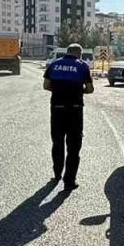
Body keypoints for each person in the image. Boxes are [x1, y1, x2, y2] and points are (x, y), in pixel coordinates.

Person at [43, 43, 94, 191]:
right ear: (79, 54)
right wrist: (79, 90)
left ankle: (57, 173)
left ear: (67, 52)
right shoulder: (82, 66)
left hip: (57, 108)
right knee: (74, 146)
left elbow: (46, 85)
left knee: (57, 142)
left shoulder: (54, 64)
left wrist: (59, 90)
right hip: (75, 110)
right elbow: (90, 89)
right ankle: (69, 181)